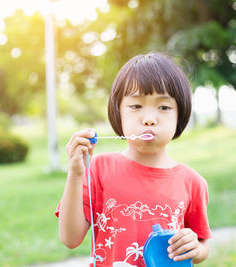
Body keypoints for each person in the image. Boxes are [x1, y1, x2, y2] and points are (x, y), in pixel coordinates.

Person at [55, 52, 212, 267]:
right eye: (136, 106)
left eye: (164, 107)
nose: (149, 119)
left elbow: (203, 245)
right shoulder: (98, 169)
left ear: (180, 114)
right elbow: (70, 239)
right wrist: (75, 174)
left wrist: (196, 248)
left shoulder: (193, 182)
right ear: (118, 112)